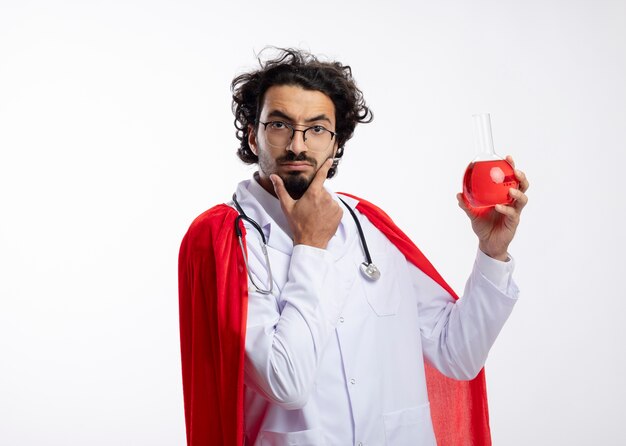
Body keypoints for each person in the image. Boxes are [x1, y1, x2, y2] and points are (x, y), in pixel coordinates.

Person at [178, 48, 529, 446]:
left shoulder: (369, 225)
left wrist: (492, 253)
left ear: (337, 142)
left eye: (316, 129)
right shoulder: (222, 237)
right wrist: (310, 247)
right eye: (279, 125)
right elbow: (285, 383)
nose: (298, 145)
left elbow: (457, 355)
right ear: (252, 135)